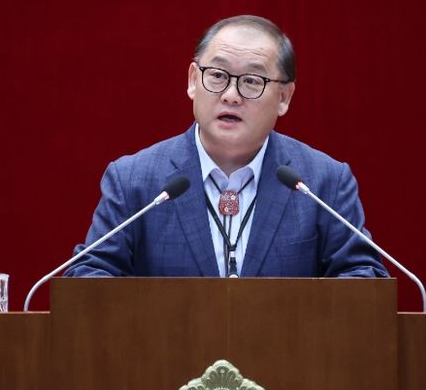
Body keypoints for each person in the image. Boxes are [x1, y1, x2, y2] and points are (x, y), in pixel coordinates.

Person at [64, 15, 388, 278]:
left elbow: (363, 278)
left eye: (252, 81)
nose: (231, 95)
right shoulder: (134, 180)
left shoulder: (323, 182)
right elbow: (89, 275)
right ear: (193, 80)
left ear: (284, 97)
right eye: (217, 75)